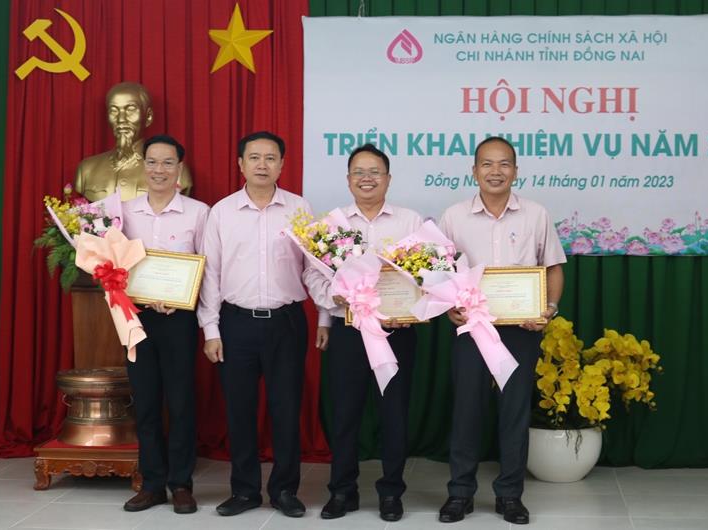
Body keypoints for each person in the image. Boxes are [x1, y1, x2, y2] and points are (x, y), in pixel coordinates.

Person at [197, 131, 330, 518]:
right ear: (240, 164)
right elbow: (210, 274)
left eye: (270, 158)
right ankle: (244, 491)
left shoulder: (299, 209)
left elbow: (315, 267)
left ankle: (285, 490)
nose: (262, 164)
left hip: (286, 323)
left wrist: (325, 316)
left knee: (286, 408)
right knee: (239, 410)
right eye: (254, 157)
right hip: (235, 323)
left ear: (282, 165)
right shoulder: (221, 212)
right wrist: (211, 330)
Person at [437, 136, 566, 525]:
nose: (496, 171)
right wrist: (450, 308)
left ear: (516, 170)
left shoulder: (536, 215)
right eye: (487, 164)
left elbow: (553, 267)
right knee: (466, 411)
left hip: (520, 329)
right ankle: (460, 493)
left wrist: (549, 310)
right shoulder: (453, 217)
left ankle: (510, 495)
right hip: (471, 329)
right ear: (474, 171)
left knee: (514, 412)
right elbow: (439, 274)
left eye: (504, 164)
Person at [312, 144, 422, 522]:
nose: (367, 178)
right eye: (359, 172)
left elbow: (429, 275)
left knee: (394, 413)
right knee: (345, 414)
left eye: (375, 171)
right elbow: (314, 274)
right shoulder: (332, 224)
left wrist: (413, 312)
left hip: (396, 331)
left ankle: (391, 492)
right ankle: (342, 491)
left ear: (388, 179)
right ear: (348, 180)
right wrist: (331, 302)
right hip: (349, 331)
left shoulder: (410, 222)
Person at [120, 135, 209, 514]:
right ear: (143, 166)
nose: (159, 170)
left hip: (179, 319)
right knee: (145, 402)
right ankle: (153, 483)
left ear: (179, 169)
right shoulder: (123, 212)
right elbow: (113, 264)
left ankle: (181, 484)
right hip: (136, 319)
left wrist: (182, 297)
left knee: (181, 401)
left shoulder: (198, 212)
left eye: (168, 162)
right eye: (153, 162)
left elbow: (207, 266)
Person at [75, 82, 192, 202]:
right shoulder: (87, 170)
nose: (121, 119)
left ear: (148, 117)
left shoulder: (175, 171)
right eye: (114, 110)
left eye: (130, 109)